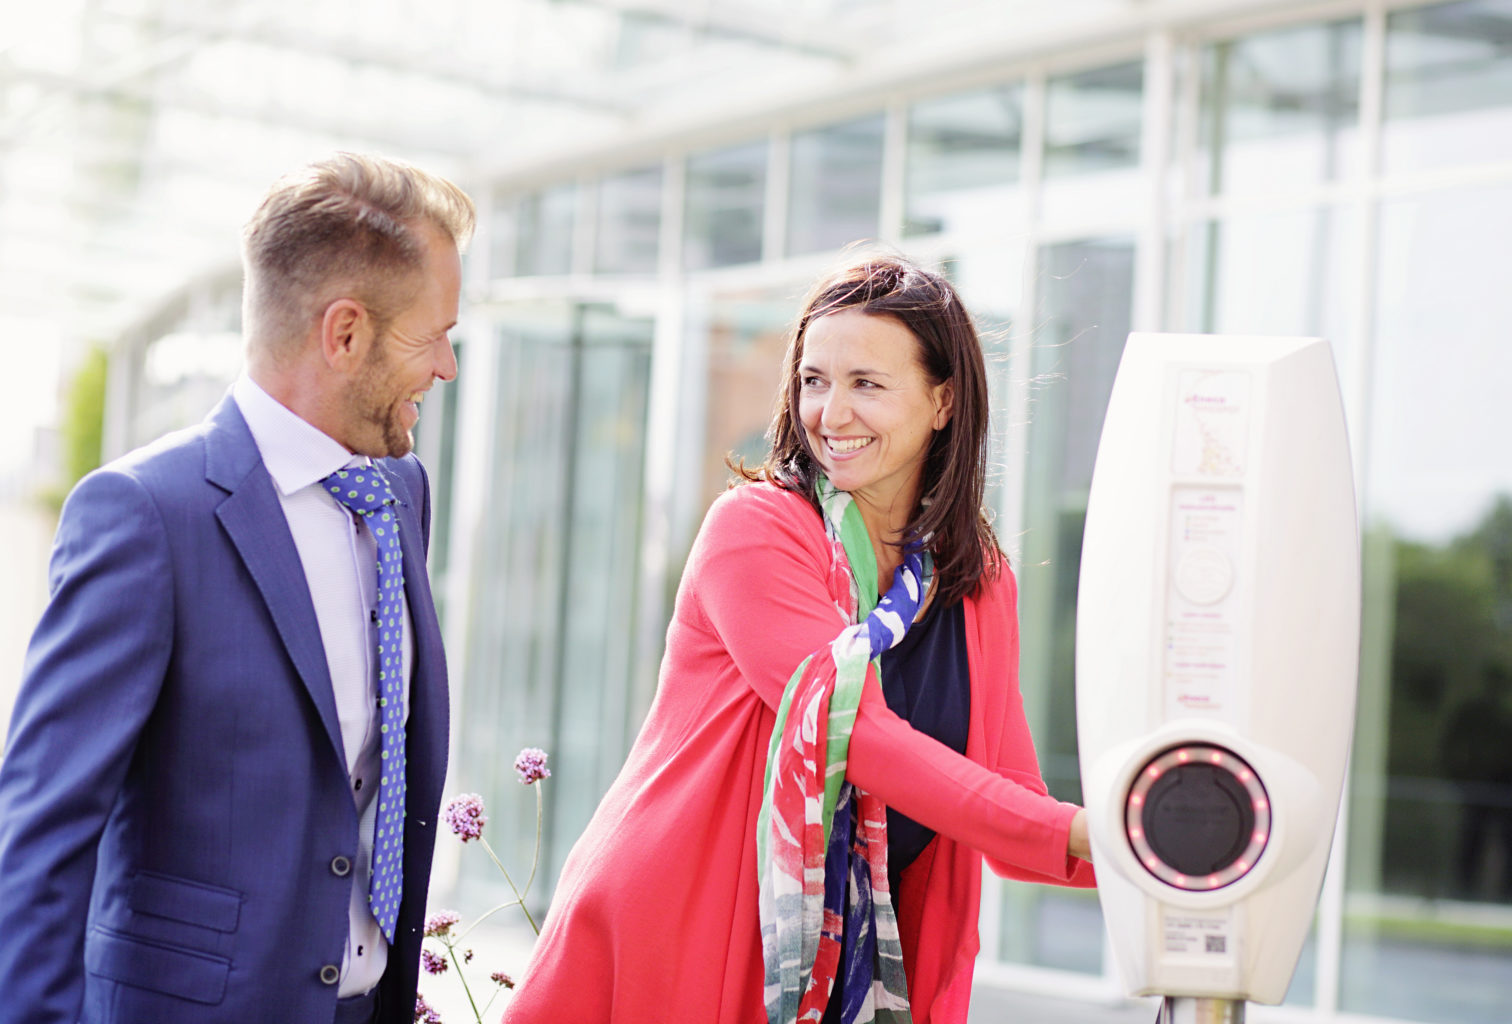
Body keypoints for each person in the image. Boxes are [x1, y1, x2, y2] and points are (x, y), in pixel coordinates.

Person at [504, 252, 1094, 1024]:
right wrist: (1090, 833)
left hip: (870, 967)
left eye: (867, 384)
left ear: (944, 400)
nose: (830, 413)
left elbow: (1012, 807)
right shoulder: (757, 531)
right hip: (687, 926)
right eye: (814, 380)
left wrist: (1153, 855)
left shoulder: (978, 580)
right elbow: (857, 735)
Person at [0, 152, 474, 1024]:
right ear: (345, 333)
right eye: (432, 334)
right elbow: (40, 835)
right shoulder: (145, 515)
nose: (446, 366)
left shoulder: (400, 493)